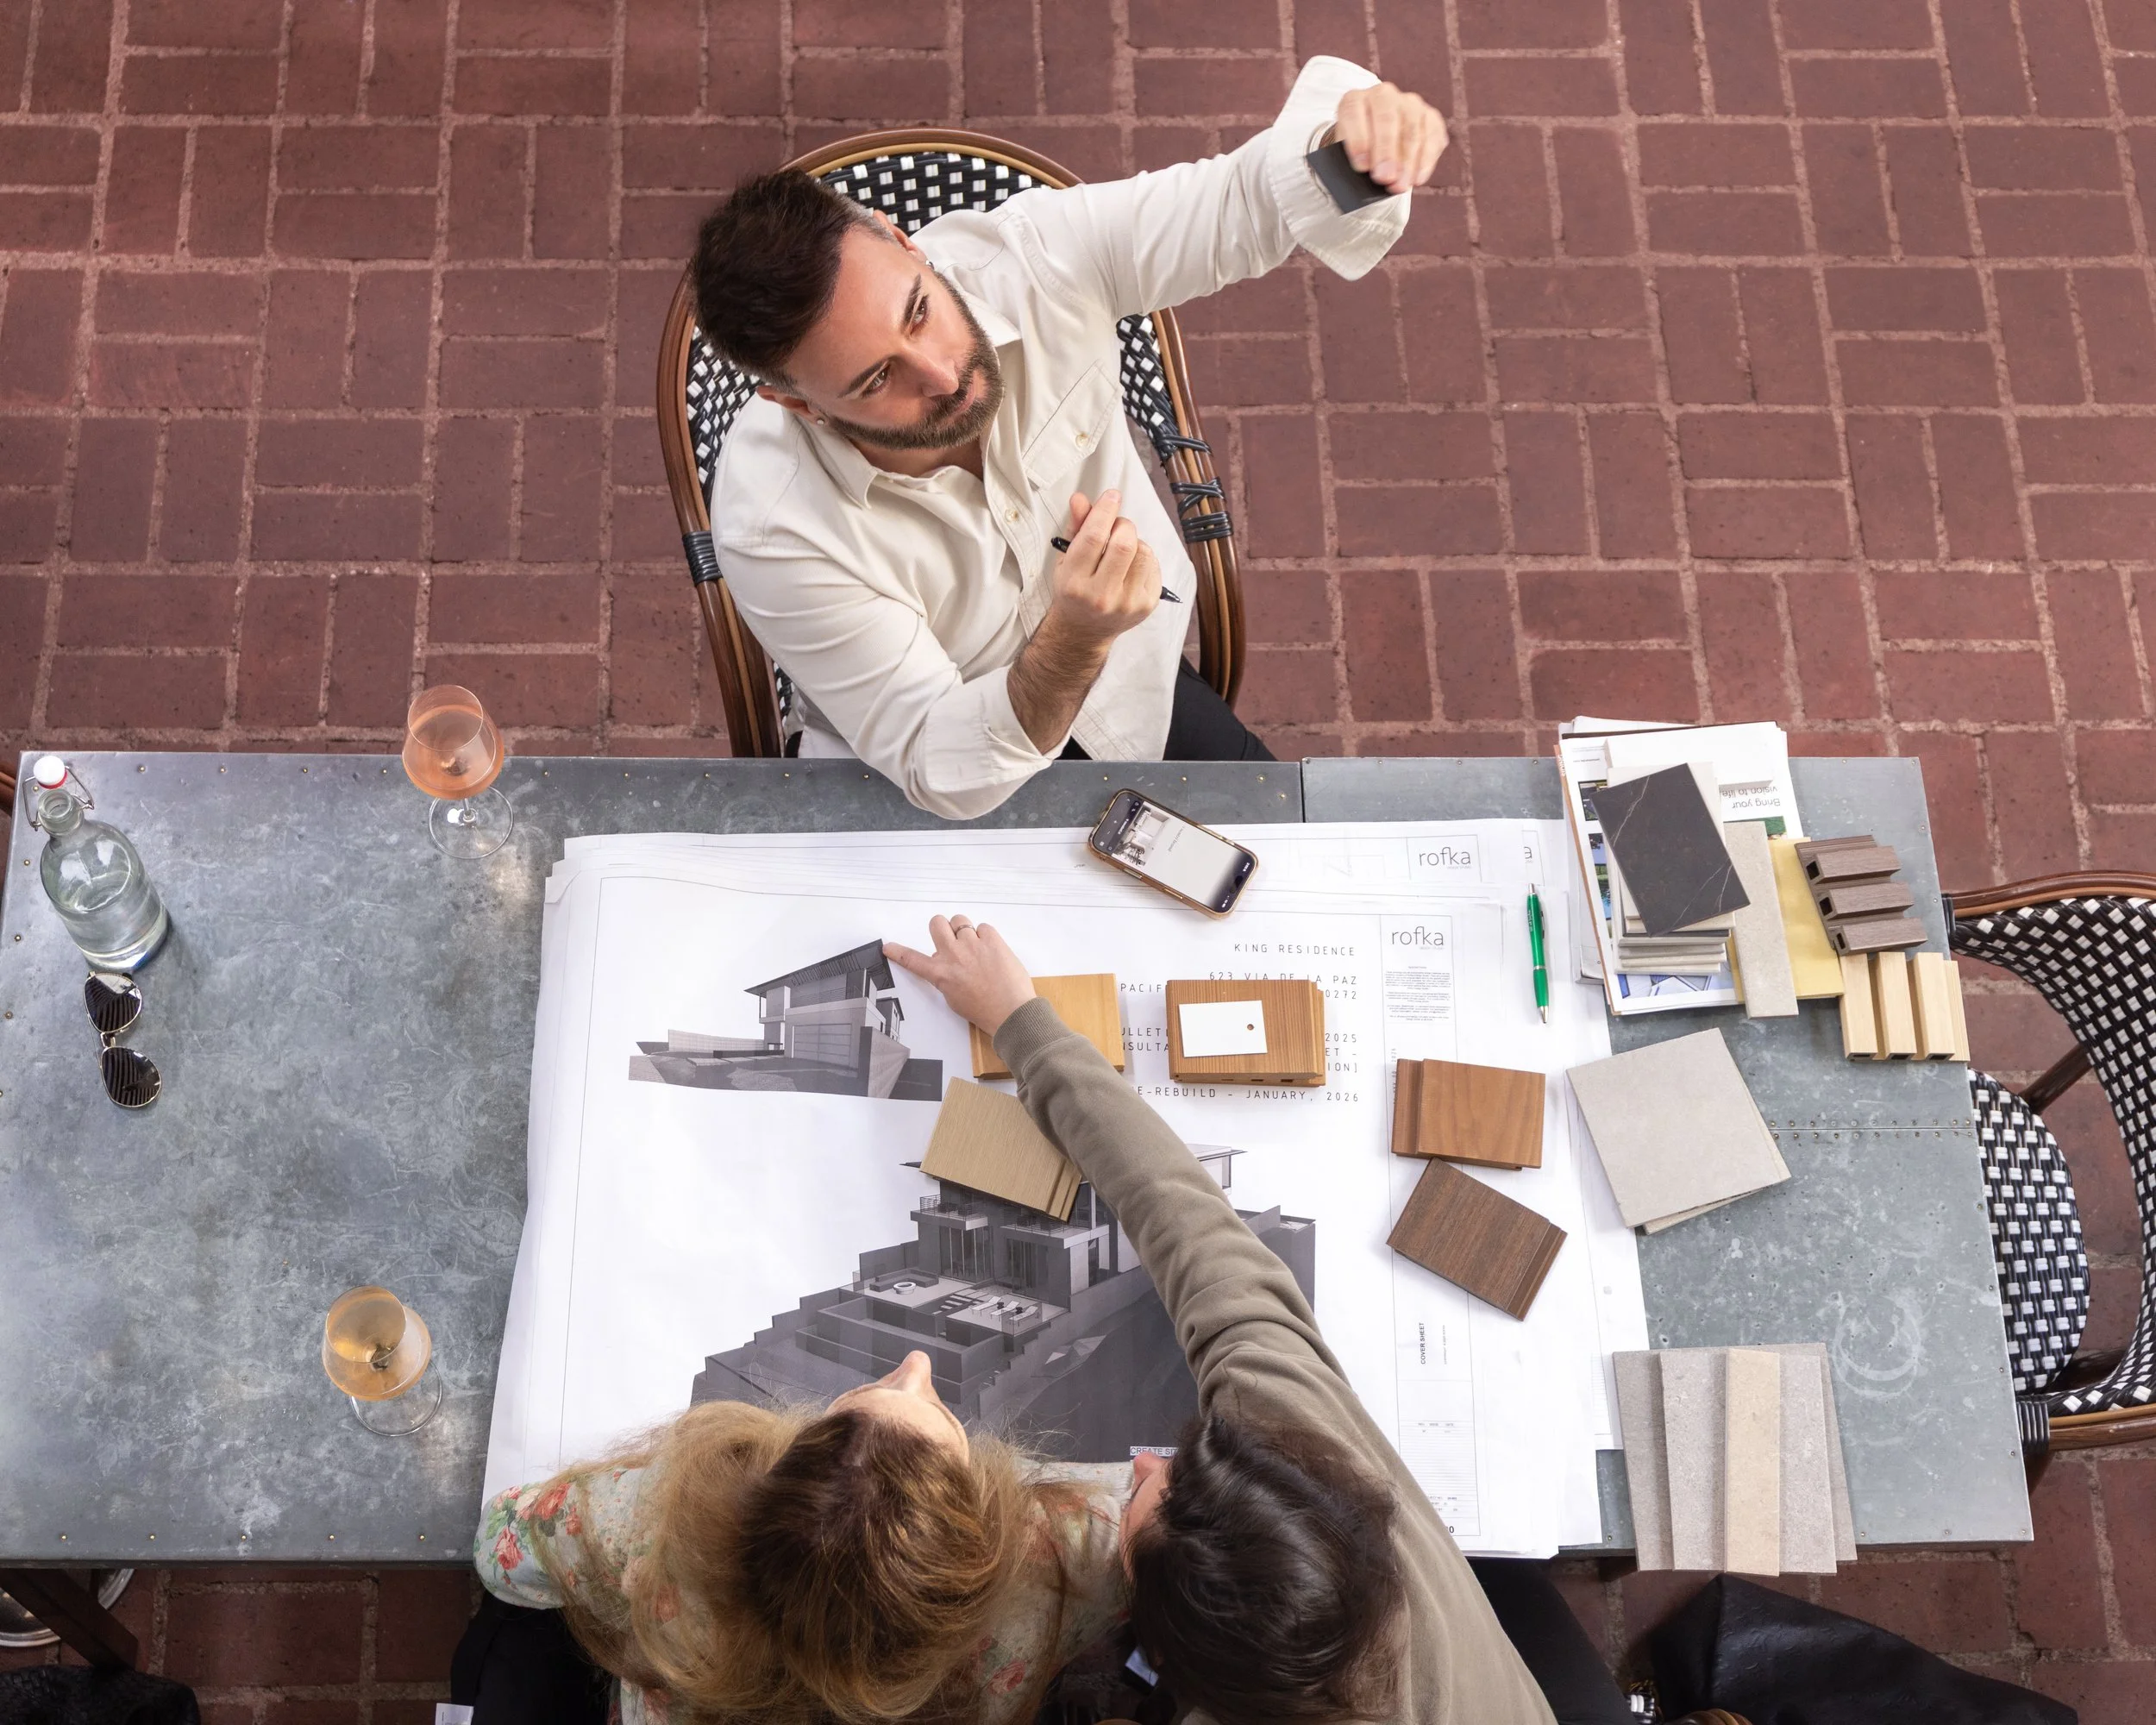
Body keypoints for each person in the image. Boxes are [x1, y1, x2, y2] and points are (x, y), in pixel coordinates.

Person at [887, 915, 1633, 1725]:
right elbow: (1188, 1223)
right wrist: (1023, 1025)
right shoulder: (1304, 1459)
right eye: (1171, 1475)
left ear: (1166, 1654)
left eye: (1145, 1507)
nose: (1147, 1466)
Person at [693, 58, 1447, 818]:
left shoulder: (1039, 259)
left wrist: (1351, 154)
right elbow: (933, 759)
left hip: (1133, 682)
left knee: (1290, 857)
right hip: (907, 785)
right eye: (875, 379)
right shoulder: (772, 527)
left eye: (919, 312)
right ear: (796, 404)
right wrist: (1076, 638)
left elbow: (1244, 205)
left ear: (904, 242)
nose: (943, 375)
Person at [473, 1351, 1130, 1725]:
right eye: (933, 1407)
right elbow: (1160, 1504)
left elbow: (500, 1550)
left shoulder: (647, 1523)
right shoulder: (1060, 1561)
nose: (916, 1364)